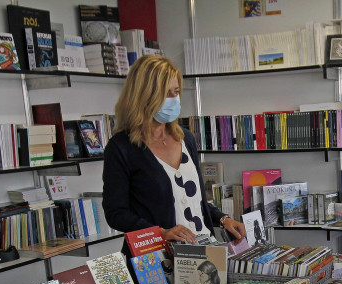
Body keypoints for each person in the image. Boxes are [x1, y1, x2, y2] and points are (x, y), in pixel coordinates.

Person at [102, 55, 246, 243]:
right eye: (166, 94)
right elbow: (116, 213)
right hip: (158, 258)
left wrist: (223, 219)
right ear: (144, 96)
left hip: (204, 246)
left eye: (176, 92)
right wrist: (160, 232)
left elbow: (195, 200)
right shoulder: (121, 147)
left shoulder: (185, 138)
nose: (173, 99)